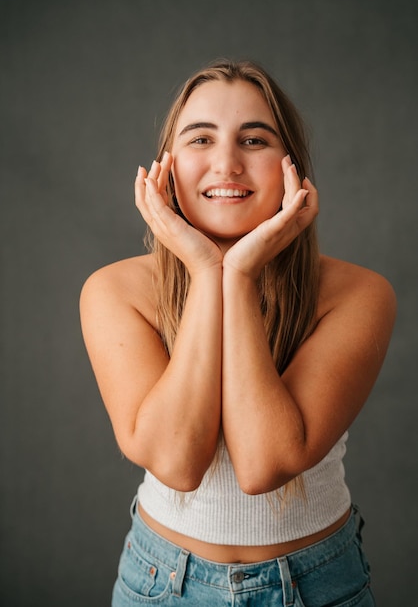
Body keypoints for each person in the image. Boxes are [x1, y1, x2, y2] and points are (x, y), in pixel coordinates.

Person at [80, 59, 396, 606]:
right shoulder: (115, 290)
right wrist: (207, 272)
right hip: (162, 583)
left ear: (290, 166)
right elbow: (176, 463)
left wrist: (240, 275)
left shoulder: (360, 294)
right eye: (200, 138)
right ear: (168, 167)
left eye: (254, 139)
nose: (226, 163)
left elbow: (264, 464)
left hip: (318, 585)